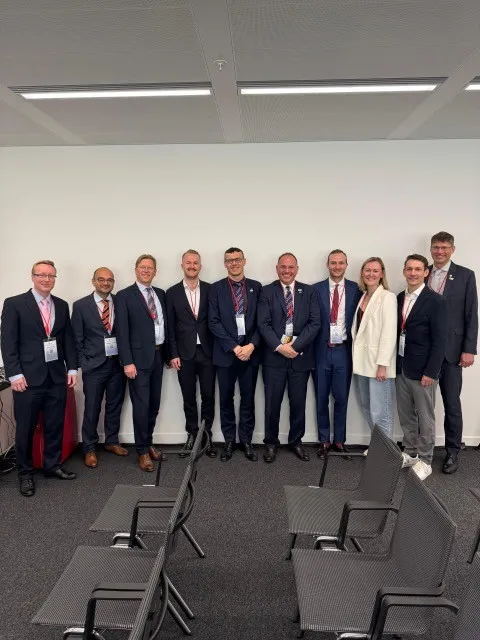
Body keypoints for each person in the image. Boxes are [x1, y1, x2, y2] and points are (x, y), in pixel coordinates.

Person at [0, 260, 78, 497]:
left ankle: (52, 465)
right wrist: (14, 373)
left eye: (51, 276)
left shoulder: (61, 305)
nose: (46, 279)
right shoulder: (14, 303)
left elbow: (68, 340)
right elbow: (8, 341)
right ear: (32, 277)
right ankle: (25, 474)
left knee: (54, 424)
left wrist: (72, 369)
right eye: (42, 275)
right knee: (25, 428)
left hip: (56, 377)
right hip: (27, 379)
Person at [257, 253, 321, 463]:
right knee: (272, 404)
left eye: (291, 267)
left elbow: (315, 323)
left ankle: (296, 441)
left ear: (297, 269)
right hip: (274, 359)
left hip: (300, 357)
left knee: (298, 403)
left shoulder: (309, 292)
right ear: (277, 268)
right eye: (283, 267)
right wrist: (279, 346)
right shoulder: (267, 291)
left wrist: (294, 346)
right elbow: (263, 324)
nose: (287, 271)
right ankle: (270, 443)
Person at [427, 232, 478, 474]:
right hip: (426, 352)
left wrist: (469, 349)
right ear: (430, 249)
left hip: (452, 352)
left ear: (452, 249)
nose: (439, 251)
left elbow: (471, 314)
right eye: (436, 247)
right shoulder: (422, 272)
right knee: (422, 404)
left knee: (452, 403)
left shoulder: (466, 275)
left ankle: (452, 451)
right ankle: (422, 450)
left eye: (444, 247)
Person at [115, 254, 168, 472]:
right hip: (137, 361)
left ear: (155, 271)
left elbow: (164, 324)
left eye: (150, 267)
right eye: (143, 267)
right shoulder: (124, 295)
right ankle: (142, 451)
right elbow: (122, 331)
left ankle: (148, 442)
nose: (146, 270)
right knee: (141, 406)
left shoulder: (160, 294)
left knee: (154, 404)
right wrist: (127, 362)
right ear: (136, 269)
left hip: (158, 356)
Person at [208, 247, 262, 462]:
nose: (234, 263)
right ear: (225, 264)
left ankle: (246, 440)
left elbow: (262, 322)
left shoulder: (257, 287)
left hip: (250, 354)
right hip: (226, 354)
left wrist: (251, 345)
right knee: (226, 399)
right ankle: (229, 440)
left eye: (237, 259)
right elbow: (213, 321)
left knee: (248, 399)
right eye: (229, 260)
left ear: (244, 261)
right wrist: (234, 347)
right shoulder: (216, 289)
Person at [396, 254, 447, 481]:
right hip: (402, 367)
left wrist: (431, 372)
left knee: (426, 417)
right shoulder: (400, 297)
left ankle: (426, 460)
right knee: (406, 414)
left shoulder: (435, 301)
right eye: (409, 269)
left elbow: (440, 341)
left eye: (418, 269)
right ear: (404, 271)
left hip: (423, 371)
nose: (413, 273)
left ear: (426, 272)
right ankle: (410, 453)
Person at [71, 267, 127, 468]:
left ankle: (111, 441)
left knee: (115, 404)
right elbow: (76, 338)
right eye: (101, 279)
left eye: (109, 280)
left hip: (117, 363)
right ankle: (89, 447)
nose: (105, 283)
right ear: (93, 281)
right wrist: (83, 363)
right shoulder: (80, 306)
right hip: (93, 365)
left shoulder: (121, 302)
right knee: (92, 407)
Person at [166, 250, 216, 458]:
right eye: (189, 262)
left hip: (208, 352)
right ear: (182, 265)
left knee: (208, 396)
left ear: (200, 266)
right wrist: (173, 353)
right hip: (183, 354)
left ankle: (206, 437)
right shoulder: (172, 292)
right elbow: (170, 327)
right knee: (188, 397)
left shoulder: (211, 290)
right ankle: (192, 434)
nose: (192, 266)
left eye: (196, 263)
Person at [313, 250, 362, 458]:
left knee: (341, 397)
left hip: (343, 350)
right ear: (327, 264)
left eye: (341, 263)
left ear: (346, 265)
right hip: (321, 350)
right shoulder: (315, 289)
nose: (337, 266)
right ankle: (324, 440)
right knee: (321, 397)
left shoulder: (356, 289)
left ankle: (339, 441)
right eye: (333, 263)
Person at [351, 257, 397, 448]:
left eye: (375, 271)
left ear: (382, 274)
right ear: (362, 272)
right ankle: (378, 447)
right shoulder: (363, 296)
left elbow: (389, 333)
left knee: (381, 412)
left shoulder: (387, 297)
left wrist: (382, 365)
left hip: (379, 365)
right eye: (367, 270)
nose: (371, 274)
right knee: (367, 407)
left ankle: (386, 454)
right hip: (362, 363)